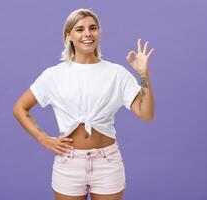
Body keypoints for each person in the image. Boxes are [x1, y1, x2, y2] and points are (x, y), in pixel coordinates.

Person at [12, 8, 154, 200]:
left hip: (107, 162)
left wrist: (143, 74)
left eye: (92, 28)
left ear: (98, 33)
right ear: (68, 35)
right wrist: (43, 138)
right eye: (80, 29)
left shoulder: (116, 73)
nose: (87, 33)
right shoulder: (54, 75)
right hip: (69, 164)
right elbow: (20, 108)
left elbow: (146, 114)